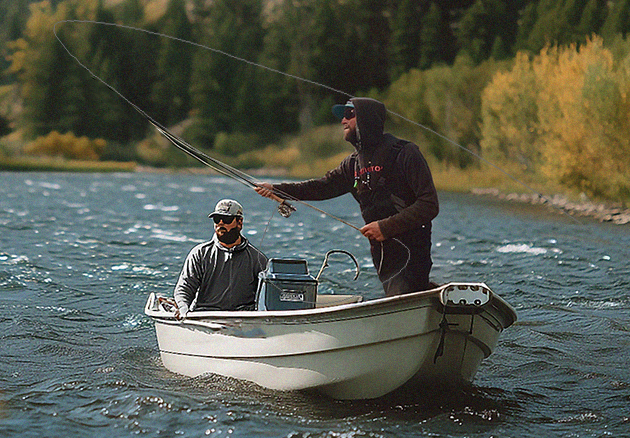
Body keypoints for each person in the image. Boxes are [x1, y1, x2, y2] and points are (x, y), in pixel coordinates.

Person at [256, 97, 439, 296]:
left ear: (367, 119)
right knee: (398, 292)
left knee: (403, 294)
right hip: (383, 253)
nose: (343, 120)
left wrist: (385, 227)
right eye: (342, 116)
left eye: (349, 114)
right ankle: (430, 295)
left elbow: (429, 204)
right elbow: (320, 187)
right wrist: (276, 189)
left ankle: (429, 300)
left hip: (412, 249)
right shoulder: (351, 165)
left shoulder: (406, 153)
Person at [173, 198, 270, 312]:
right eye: (217, 219)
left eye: (226, 219)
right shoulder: (199, 254)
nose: (220, 223)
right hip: (205, 315)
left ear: (240, 223)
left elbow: (267, 295)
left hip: (243, 318)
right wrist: (183, 307)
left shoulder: (258, 259)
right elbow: (184, 288)